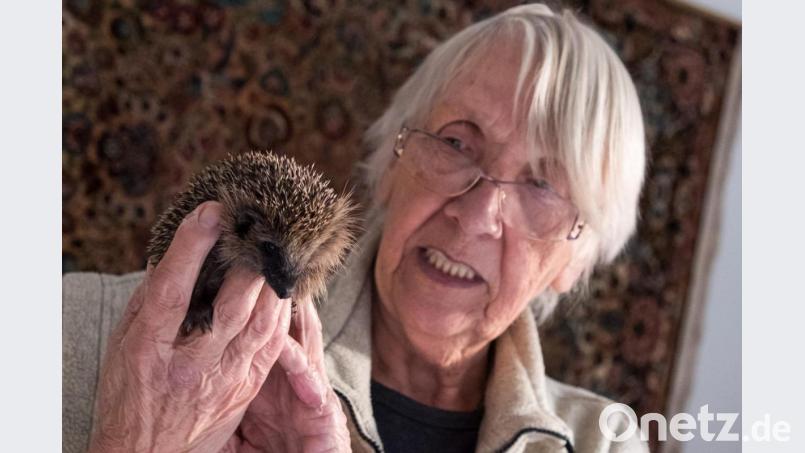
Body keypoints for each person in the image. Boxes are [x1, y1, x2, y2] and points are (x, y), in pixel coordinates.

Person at [63, 3, 649, 452]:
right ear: (391, 164)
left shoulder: (610, 440)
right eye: (454, 142)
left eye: (543, 187)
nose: (475, 216)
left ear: (578, 260)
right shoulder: (81, 329)